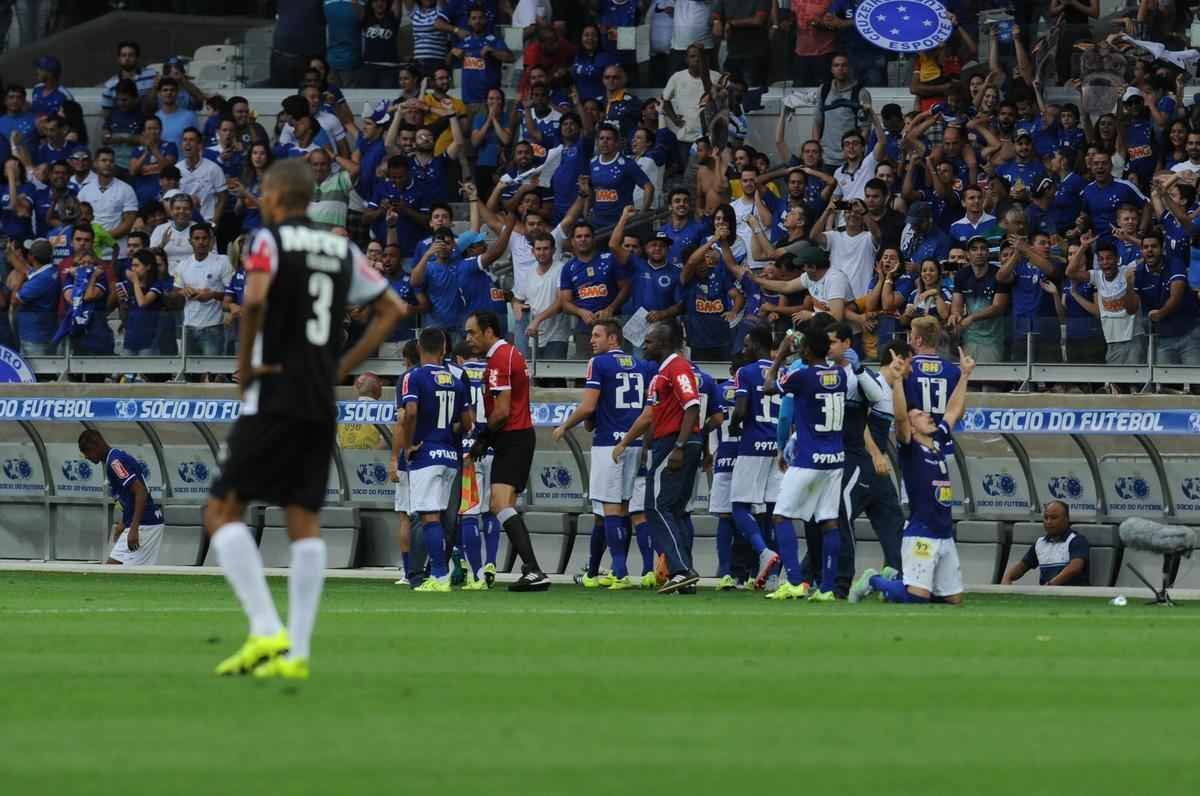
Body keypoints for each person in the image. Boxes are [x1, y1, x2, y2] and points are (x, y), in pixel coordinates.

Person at [205, 158, 406, 681]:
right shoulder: (341, 248)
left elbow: (252, 304)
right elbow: (393, 310)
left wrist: (245, 366)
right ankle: (296, 653)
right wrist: (341, 366)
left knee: (222, 511)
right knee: (304, 519)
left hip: (273, 390)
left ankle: (266, 626)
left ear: (275, 195)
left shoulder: (268, 240)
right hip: (319, 396)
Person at [849, 346, 976, 605]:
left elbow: (953, 411)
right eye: (919, 415)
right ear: (911, 426)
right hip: (922, 534)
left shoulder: (939, 440)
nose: (928, 415)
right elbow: (899, 417)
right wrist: (897, 382)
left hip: (944, 534)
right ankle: (873, 580)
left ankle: (902, 585)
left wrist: (964, 375)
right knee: (916, 598)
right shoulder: (910, 445)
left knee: (953, 600)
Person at [554, 320, 655, 589]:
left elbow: (588, 407)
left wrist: (565, 425)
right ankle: (637, 569)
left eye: (597, 335)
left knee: (610, 508)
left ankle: (619, 572)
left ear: (614, 338)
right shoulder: (643, 366)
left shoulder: (598, 364)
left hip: (609, 445)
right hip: (635, 442)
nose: (592, 340)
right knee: (627, 508)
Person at [611, 321, 704, 594]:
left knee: (655, 506)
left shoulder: (677, 367)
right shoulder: (662, 373)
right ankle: (684, 573)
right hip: (670, 442)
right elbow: (651, 415)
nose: (645, 345)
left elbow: (692, 405)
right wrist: (635, 445)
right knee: (673, 509)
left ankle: (680, 569)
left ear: (664, 344)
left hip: (676, 442)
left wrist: (679, 446)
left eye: (650, 341)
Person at [463, 310, 551, 591]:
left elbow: (501, 411)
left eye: (472, 332)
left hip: (512, 437)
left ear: (489, 331)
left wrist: (482, 438)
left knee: (499, 504)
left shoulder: (500, 359)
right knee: (504, 505)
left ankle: (533, 568)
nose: (468, 339)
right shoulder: (512, 354)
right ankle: (532, 570)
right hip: (519, 436)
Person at [760, 324, 847, 601]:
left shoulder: (803, 376)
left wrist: (782, 354)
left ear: (806, 350)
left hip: (808, 458)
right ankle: (828, 588)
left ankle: (796, 581)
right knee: (829, 521)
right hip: (835, 459)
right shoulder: (841, 375)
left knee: (781, 515)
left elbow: (768, 387)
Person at [396, 328, 473, 592]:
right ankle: (439, 574)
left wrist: (408, 445)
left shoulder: (413, 377)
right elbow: (467, 423)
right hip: (450, 456)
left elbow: (411, 411)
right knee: (441, 518)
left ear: (419, 348)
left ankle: (439, 576)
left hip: (426, 454)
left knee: (428, 517)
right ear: (443, 349)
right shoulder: (455, 380)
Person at [727, 323, 783, 589]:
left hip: (752, 446)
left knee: (739, 505)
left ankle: (763, 552)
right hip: (778, 446)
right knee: (772, 509)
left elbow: (740, 409)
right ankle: (773, 576)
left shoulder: (745, 372)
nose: (744, 348)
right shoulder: (782, 372)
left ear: (758, 345)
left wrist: (734, 425)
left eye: (748, 344)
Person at [78, 430, 165, 566]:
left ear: (96, 446)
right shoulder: (112, 460)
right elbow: (129, 495)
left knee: (128, 577)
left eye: (86, 452)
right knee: (111, 570)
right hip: (135, 523)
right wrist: (124, 523)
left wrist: (134, 528)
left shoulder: (115, 463)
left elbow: (140, 492)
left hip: (145, 524)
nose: (87, 457)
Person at [173, 223, 231, 358]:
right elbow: (175, 293)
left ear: (211, 240)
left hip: (213, 326)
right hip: (188, 326)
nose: (201, 242)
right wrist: (184, 292)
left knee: (211, 372)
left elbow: (232, 293)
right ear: (190, 241)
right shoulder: (183, 265)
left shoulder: (222, 261)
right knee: (190, 374)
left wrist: (212, 295)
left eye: (204, 238)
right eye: (197, 238)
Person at [1001, 501, 1091, 586]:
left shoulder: (1076, 540)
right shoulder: (1040, 543)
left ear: (1066, 519)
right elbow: (1021, 567)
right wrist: (1007, 577)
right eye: (1046, 517)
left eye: (1054, 518)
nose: (1048, 521)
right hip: (1047, 595)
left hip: (1072, 595)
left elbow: (1075, 568)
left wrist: (1050, 585)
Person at [75, 148, 137, 259]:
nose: (108, 164)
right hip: (90, 255)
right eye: (104, 160)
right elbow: (79, 220)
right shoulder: (85, 190)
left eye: (111, 161)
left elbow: (129, 222)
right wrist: (92, 239)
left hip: (118, 253)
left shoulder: (126, 189)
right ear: (95, 163)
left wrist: (103, 237)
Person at [9, 238, 60, 355]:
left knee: (35, 373)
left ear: (32, 257)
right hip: (44, 334)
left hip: (34, 339)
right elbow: (25, 269)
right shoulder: (50, 271)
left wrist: (20, 279)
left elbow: (14, 299)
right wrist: (11, 253)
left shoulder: (40, 280)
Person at [177, 128, 227, 224]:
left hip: (206, 223)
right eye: (184, 140)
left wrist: (214, 223)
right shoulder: (177, 169)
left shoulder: (213, 169)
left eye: (191, 140)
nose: (187, 143)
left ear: (199, 145)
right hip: (184, 224)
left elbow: (223, 198)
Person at [101, 41, 159, 112]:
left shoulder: (152, 75)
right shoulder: (110, 85)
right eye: (123, 55)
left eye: (131, 55)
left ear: (137, 58)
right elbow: (107, 114)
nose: (127, 58)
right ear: (118, 59)